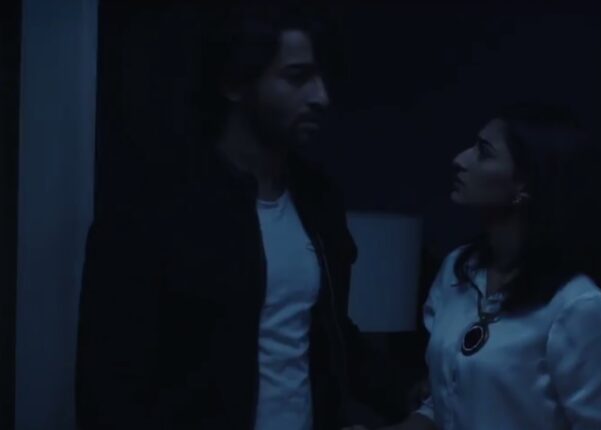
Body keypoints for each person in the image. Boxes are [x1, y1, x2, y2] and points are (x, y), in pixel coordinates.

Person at [76, 4, 399, 430]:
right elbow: (109, 387)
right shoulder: (154, 210)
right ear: (234, 83)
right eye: (297, 77)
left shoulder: (318, 200)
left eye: (321, 78)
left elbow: (324, 333)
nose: (321, 97)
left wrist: (410, 393)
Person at [371, 106, 601, 430]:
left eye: (484, 152)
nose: (460, 160)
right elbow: (445, 403)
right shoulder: (457, 271)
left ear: (525, 184)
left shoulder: (578, 306)